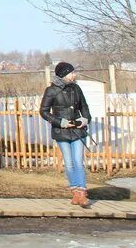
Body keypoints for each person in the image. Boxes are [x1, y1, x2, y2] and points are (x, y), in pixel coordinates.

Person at [39, 62, 92, 207]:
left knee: (78, 161)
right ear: (63, 74)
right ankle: (75, 191)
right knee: (68, 163)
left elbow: (84, 107)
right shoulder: (51, 91)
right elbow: (43, 112)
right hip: (61, 132)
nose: (74, 75)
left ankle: (82, 191)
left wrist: (85, 119)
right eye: (71, 72)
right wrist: (60, 122)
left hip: (77, 131)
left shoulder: (76, 88)